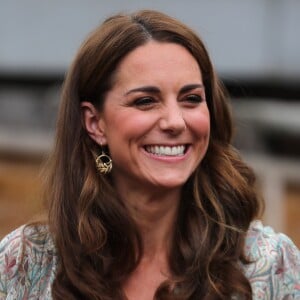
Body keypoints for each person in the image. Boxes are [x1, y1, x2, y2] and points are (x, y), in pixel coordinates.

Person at [0, 9, 299, 300]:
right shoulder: (26, 263)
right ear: (94, 122)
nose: (175, 121)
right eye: (145, 101)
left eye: (191, 99)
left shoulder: (268, 265)